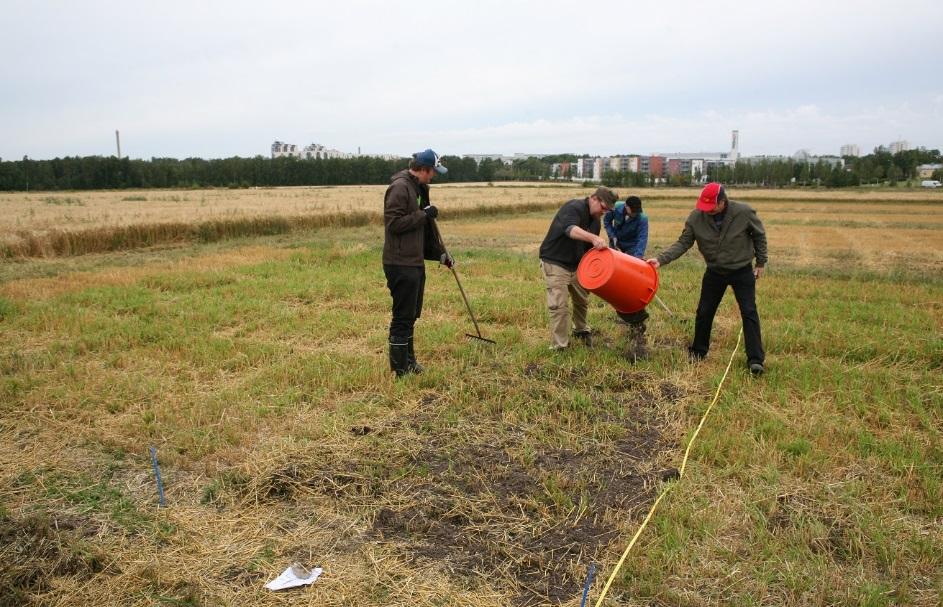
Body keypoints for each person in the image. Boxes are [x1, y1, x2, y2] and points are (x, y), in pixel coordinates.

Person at [646, 182, 768, 375]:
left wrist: (761, 263)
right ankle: (698, 351)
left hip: (741, 270)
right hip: (715, 271)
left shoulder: (743, 212)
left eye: (711, 207)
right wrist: (661, 260)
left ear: (722, 202)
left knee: (749, 312)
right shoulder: (696, 217)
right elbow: (683, 242)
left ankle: (755, 359)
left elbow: (759, 236)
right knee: (704, 311)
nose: (707, 211)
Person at [382, 149, 454, 377]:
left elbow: (421, 230)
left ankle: (409, 362)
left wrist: (440, 255)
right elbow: (393, 223)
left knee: (412, 314)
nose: (433, 176)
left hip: (413, 261)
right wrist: (424, 215)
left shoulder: (417, 188)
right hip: (400, 263)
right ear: (423, 169)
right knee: (402, 316)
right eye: (433, 172)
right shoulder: (400, 188)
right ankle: (399, 369)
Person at [538, 186, 618, 350]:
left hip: (576, 264)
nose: (604, 212)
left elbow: (590, 248)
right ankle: (559, 346)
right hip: (555, 262)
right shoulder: (573, 207)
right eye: (603, 207)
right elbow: (570, 230)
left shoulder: (595, 220)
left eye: (607, 210)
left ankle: (581, 330)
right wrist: (594, 237)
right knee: (559, 306)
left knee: (582, 299)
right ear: (594, 198)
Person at [603, 195, 650, 361]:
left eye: (637, 211)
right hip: (616, 247)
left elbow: (642, 239)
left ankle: (636, 318)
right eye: (632, 211)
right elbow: (607, 222)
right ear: (626, 207)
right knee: (615, 282)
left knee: (630, 283)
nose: (635, 213)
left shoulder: (642, 218)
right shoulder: (615, 208)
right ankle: (623, 311)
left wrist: (636, 260)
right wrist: (612, 236)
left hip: (631, 251)